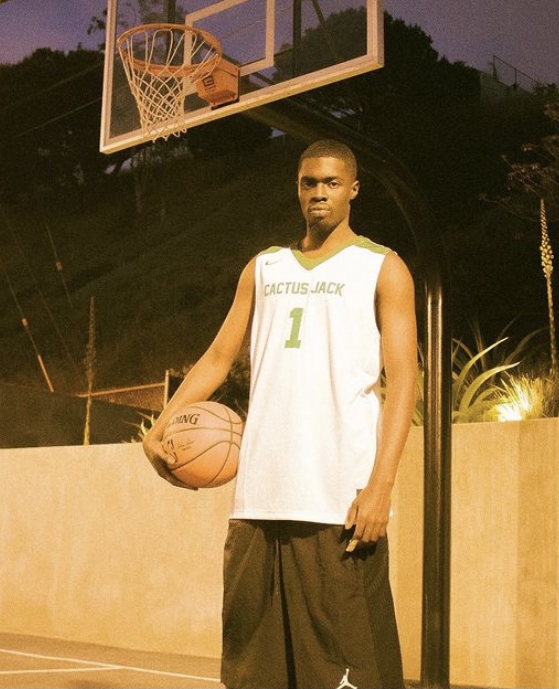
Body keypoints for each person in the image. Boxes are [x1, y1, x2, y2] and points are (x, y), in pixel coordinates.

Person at [143, 139, 417, 689]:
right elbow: (219, 356)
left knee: (349, 673)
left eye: (331, 183)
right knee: (254, 673)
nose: (318, 193)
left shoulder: (382, 268)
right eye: (308, 182)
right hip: (258, 503)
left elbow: (404, 379)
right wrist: (162, 424)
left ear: (353, 190)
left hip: (337, 501)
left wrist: (381, 486)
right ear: (297, 189)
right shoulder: (263, 268)